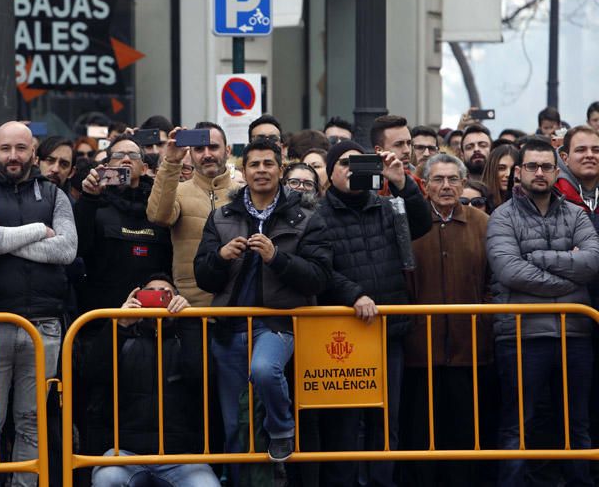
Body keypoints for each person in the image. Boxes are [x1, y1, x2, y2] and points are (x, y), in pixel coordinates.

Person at [194, 139, 333, 465]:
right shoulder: (221, 216)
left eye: (268, 164)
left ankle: (282, 429)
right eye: (254, 165)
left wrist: (276, 258)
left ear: (280, 170)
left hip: (277, 323)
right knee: (234, 426)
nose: (261, 171)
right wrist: (220, 258)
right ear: (243, 171)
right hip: (230, 327)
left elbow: (319, 277)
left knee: (264, 370)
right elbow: (203, 277)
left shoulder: (307, 218)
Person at [0, 121, 77, 487]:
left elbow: (67, 249)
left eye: (21, 149)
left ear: (33, 151)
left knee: (32, 421)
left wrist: (4, 236)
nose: (13, 156)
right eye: (6, 148)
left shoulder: (55, 195)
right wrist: (39, 232)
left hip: (45, 324)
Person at [314, 139, 432, 487]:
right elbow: (320, 268)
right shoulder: (318, 215)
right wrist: (354, 295)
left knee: (386, 420)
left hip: (387, 329)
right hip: (343, 332)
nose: (352, 171)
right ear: (331, 172)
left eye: (359, 164)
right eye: (344, 164)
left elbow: (421, 225)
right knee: (346, 424)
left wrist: (401, 181)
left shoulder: (386, 206)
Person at [487, 140, 599, 487]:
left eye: (546, 167)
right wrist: (570, 280)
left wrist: (537, 258)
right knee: (519, 425)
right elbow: (509, 271)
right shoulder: (502, 216)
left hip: (575, 334)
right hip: (522, 335)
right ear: (518, 172)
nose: (540, 173)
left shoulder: (576, 214)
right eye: (532, 166)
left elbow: (593, 262)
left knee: (576, 425)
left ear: (556, 170)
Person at [402, 154, 492, 487]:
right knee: (421, 432)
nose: (446, 186)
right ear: (424, 185)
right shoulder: (409, 222)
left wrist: (484, 319)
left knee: (466, 432)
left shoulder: (482, 222)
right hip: (418, 349)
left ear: (463, 182)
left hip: (471, 347)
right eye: (438, 179)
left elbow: (493, 281)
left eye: (453, 179)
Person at [88, 274, 220, 487]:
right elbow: (93, 373)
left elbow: (199, 376)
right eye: (150, 293)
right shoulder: (124, 336)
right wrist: (120, 324)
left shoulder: (186, 335)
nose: (158, 298)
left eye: (166, 294)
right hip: (126, 453)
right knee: (107, 479)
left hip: (180, 456)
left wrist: (187, 320)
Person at [75, 133, 172, 317]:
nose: (126, 159)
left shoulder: (157, 208)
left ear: (144, 169)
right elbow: (78, 247)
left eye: (133, 156)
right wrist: (88, 197)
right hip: (103, 316)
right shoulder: (94, 203)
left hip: (151, 316)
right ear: (106, 166)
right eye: (119, 156)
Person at [147, 122, 238, 307]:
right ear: (190, 154)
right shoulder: (178, 191)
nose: (207, 154)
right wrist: (171, 162)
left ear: (227, 150)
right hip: (189, 307)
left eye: (213, 147)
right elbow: (157, 216)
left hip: (237, 305)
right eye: (199, 149)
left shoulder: (245, 194)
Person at [371, 114, 426, 196]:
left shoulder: (423, 178)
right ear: (379, 150)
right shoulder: (368, 183)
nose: (407, 150)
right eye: (398, 144)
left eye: (409, 143)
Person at [483, 144, 520, 210]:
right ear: (491, 170)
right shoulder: (479, 201)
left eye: (513, 169)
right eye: (501, 168)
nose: (508, 174)